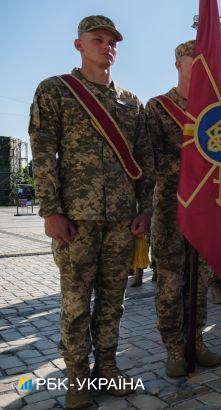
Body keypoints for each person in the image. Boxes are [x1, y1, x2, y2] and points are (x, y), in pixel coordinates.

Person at [29, 15, 155, 408]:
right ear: (78, 45)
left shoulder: (130, 102)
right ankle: (76, 379)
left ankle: (107, 368)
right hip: (75, 220)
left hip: (121, 219)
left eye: (112, 41)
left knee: (113, 301)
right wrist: (51, 210)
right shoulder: (56, 91)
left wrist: (145, 209)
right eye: (97, 39)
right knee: (76, 300)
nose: (107, 46)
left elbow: (144, 160)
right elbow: (43, 154)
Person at [146, 40, 221, 378]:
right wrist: (192, 167)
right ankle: (174, 347)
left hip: (205, 211)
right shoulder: (158, 107)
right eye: (196, 60)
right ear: (179, 64)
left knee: (201, 279)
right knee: (171, 280)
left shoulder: (214, 112)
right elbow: (152, 159)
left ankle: (197, 340)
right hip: (170, 210)